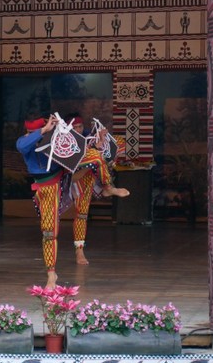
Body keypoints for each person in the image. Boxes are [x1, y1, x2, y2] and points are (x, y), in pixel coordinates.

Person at [17, 115, 129, 289]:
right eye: (33, 131)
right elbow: (22, 146)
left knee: (96, 157)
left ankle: (108, 187)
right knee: (49, 233)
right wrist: (43, 131)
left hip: (65, 175)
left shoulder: (57, 138)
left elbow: (80, 151)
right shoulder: (25, 142)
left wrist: (99, 142)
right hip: (47, 187)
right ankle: (51, 274)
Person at [65, 114, 129, 266]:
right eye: (73, 128)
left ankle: (108, 187)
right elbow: (70, 177)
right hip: (72, 181)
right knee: (79, 214)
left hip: (89, 178)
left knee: (113, 145)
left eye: (79, 127)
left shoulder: (89, 138)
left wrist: (102, 144)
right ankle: (79, 251)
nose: (78, 130)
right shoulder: (64, 145)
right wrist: (93, 159)